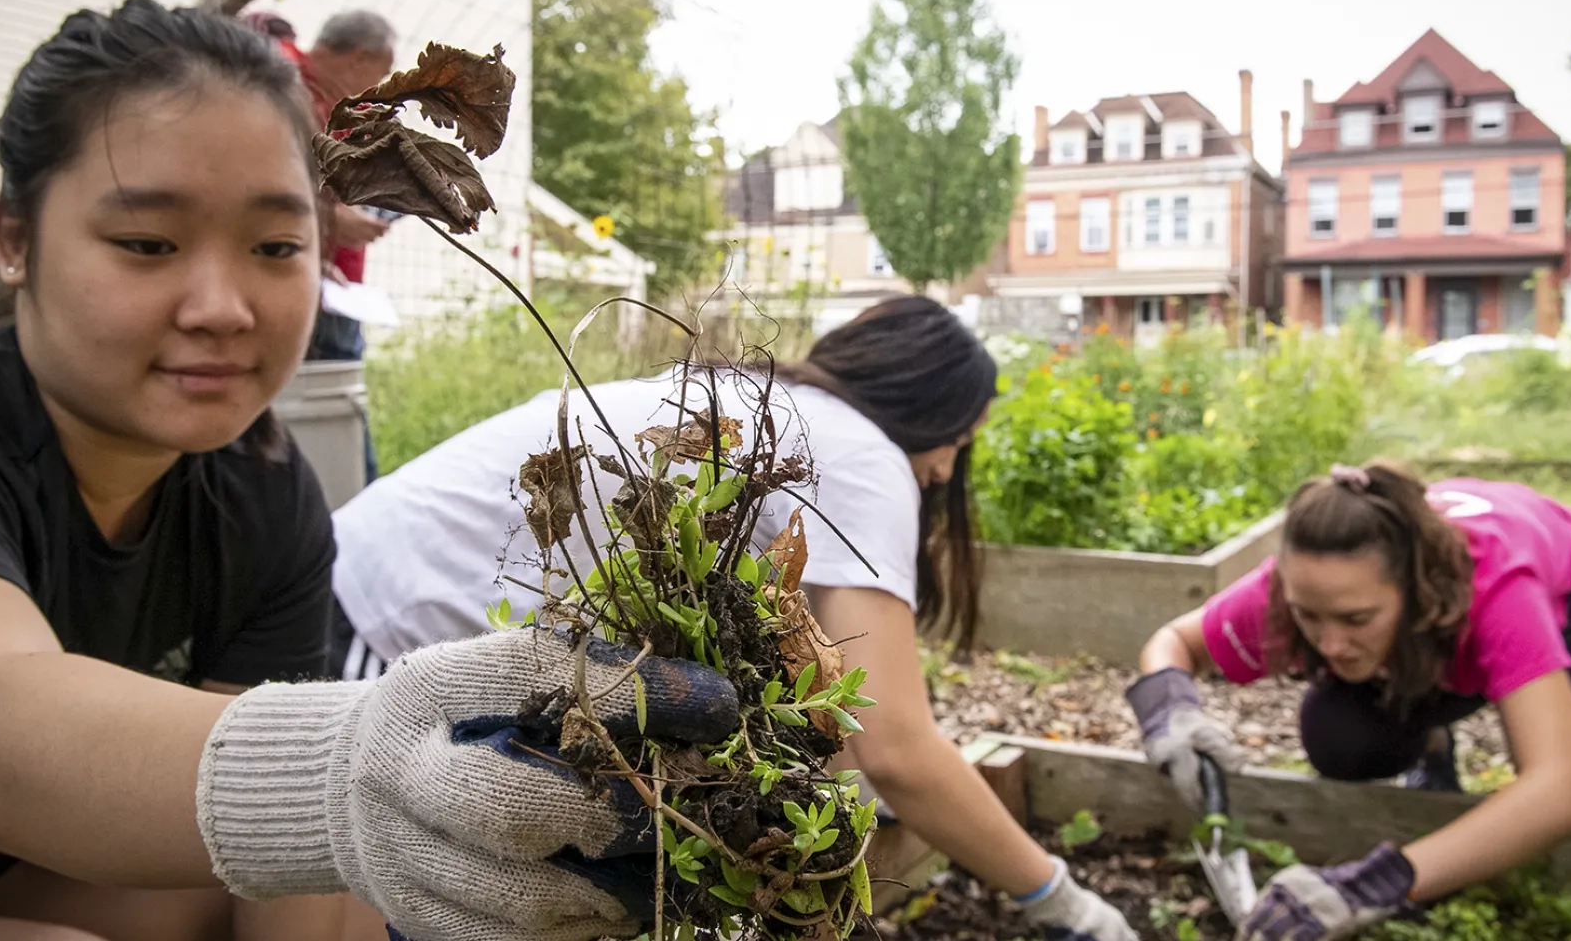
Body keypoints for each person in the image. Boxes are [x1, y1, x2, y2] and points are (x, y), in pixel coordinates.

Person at [0, 0, 736, 941]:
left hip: (34, 891)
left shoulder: (262, 487)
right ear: (13, 238)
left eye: (274, 247)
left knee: (309, 870)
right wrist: (352, 766)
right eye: (147, 244)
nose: (222, 307)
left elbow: (267, 862)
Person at [330, 296, 1138, 941]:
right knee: (371, 884)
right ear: (925, 412)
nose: (944, 470)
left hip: (362, 574)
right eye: (958, 443)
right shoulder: (864, 456)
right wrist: (1064, 904)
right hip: (375, 626)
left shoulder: (784, 412)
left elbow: (826, 685)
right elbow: (900, 748)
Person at [1130, 462, 1571, 941]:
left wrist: (1373, 885)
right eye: (1309, 617)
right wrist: (1168, 712)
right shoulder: (1311, 582)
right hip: (1434, 642)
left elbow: (1565, 792)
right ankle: (1434, 742)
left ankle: (1506, 690)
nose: (1330, 644)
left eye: (1355, 619)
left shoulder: (1498, 588)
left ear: (1416, 589)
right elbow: (1173, 642)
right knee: (1340, 740)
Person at [243, 8, 400, 484]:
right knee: (329, 428)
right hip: (300, 285)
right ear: (360, 58)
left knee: (330, 419)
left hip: (329, 279)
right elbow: (254, 172)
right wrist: (327, 219)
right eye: (383, 72)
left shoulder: (339, 105)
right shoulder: (281, 80)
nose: (380, 87)